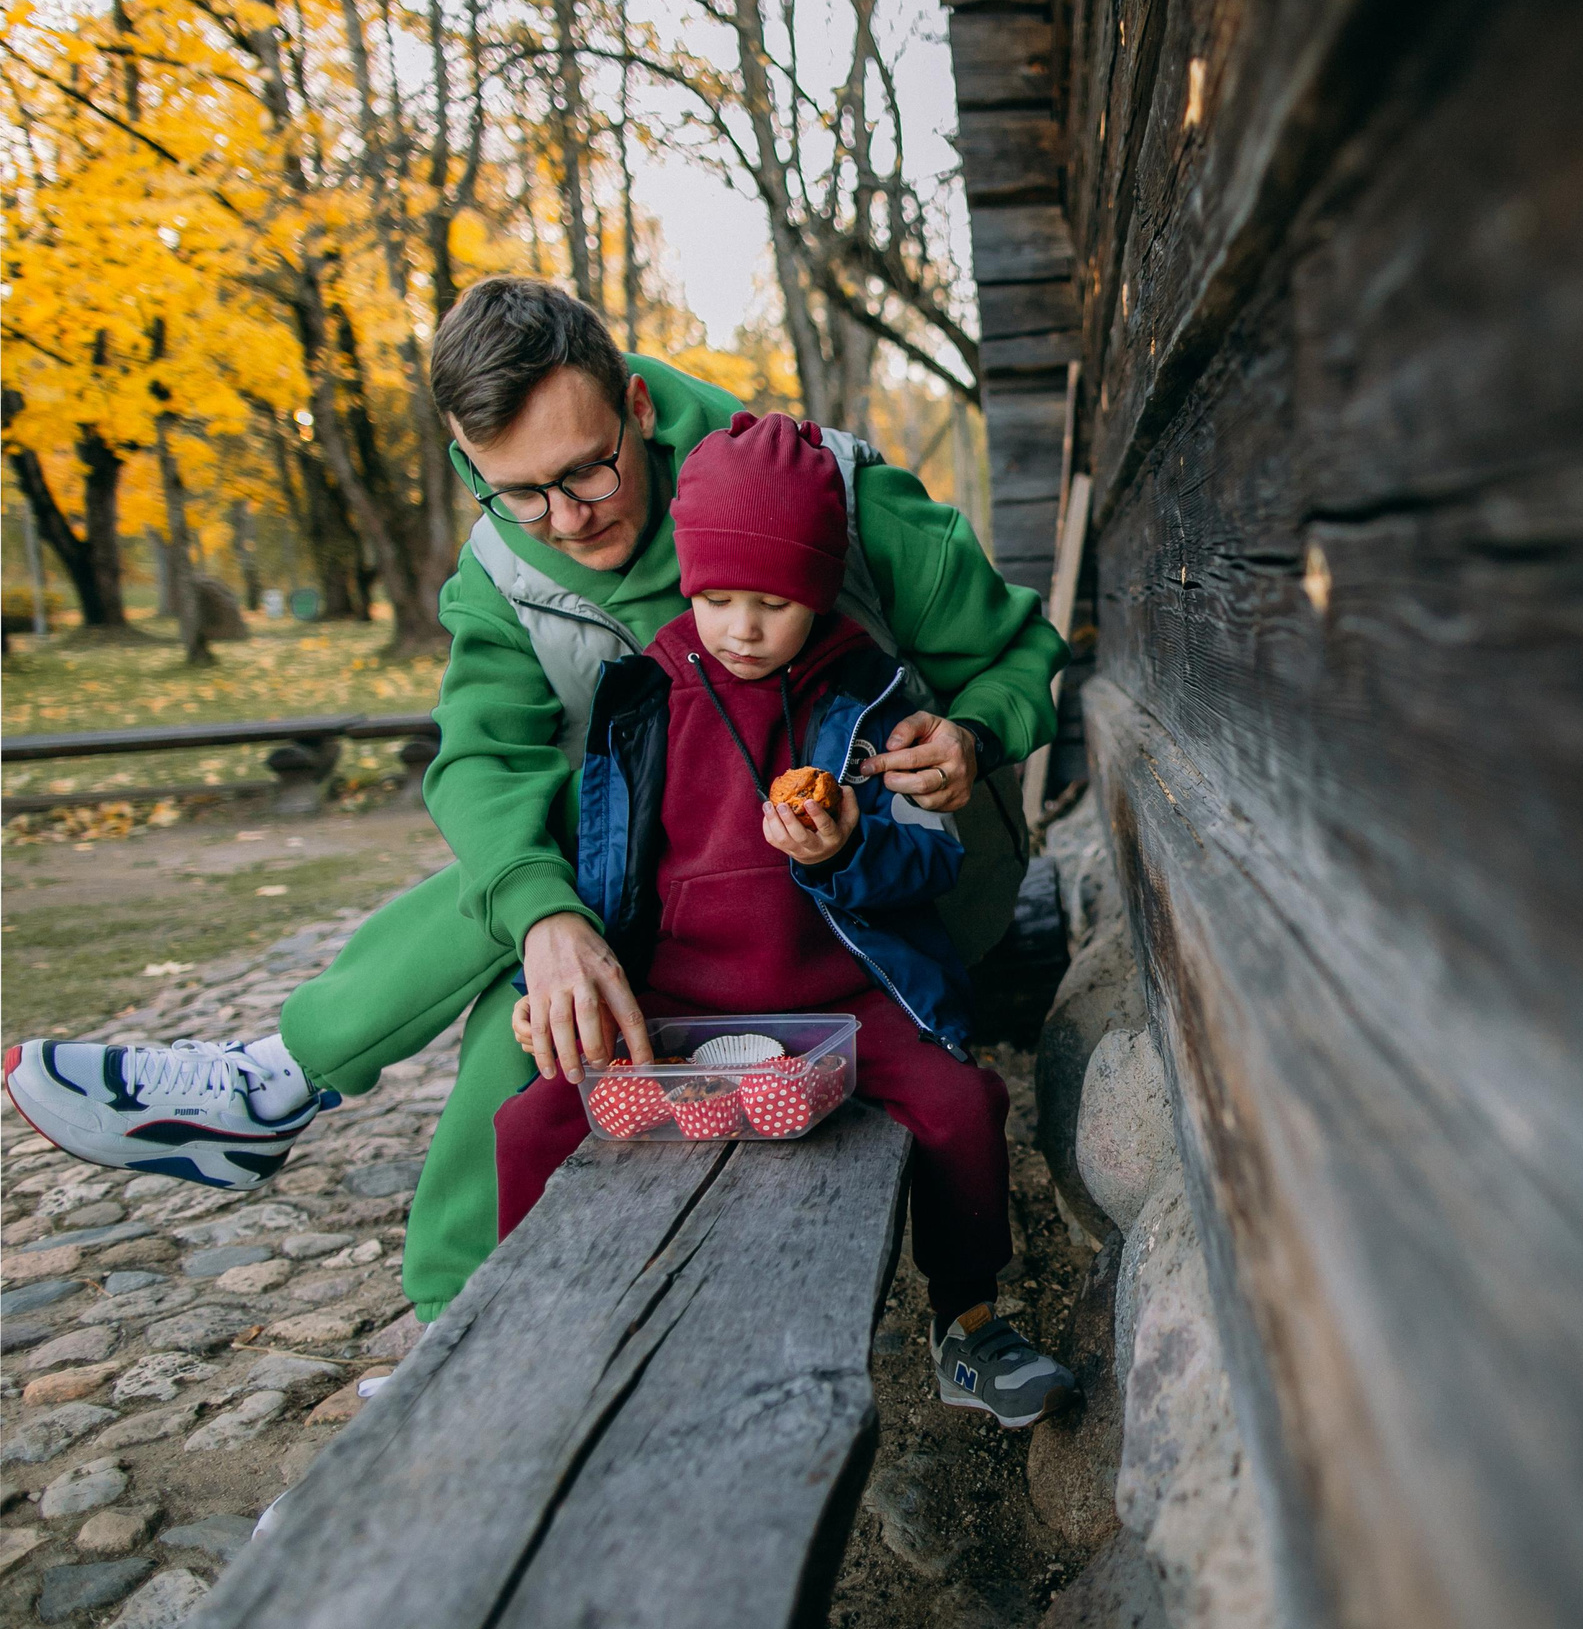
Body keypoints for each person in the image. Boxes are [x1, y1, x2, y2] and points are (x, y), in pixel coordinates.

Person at [4, 277, 1067, 1325]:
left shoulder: (819, 484)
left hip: (896, 900)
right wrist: (548, 921)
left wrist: (971, 735)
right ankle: (447, 1331)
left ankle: (281, 1075)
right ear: (473, 465)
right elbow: (478, 762)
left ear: (638, 410)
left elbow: (1016, 653)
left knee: (577, 815)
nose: (562, 518)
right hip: (696, 929)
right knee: (541, 966)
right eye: (519, 491)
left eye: (587, 474)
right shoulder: (498, 572)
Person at [486, 410, 1073, 1428]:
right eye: (717, 597)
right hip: (675, 996)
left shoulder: (868, 693)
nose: (742, 629)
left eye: (774, 601)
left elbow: (928, 857)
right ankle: (530, 1330)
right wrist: (538, 988)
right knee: (529, 1117)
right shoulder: (643, 695)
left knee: (960, 1107)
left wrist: (846, 849)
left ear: (817, 589)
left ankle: (970, 1322)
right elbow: (607, 863)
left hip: (843, 990)